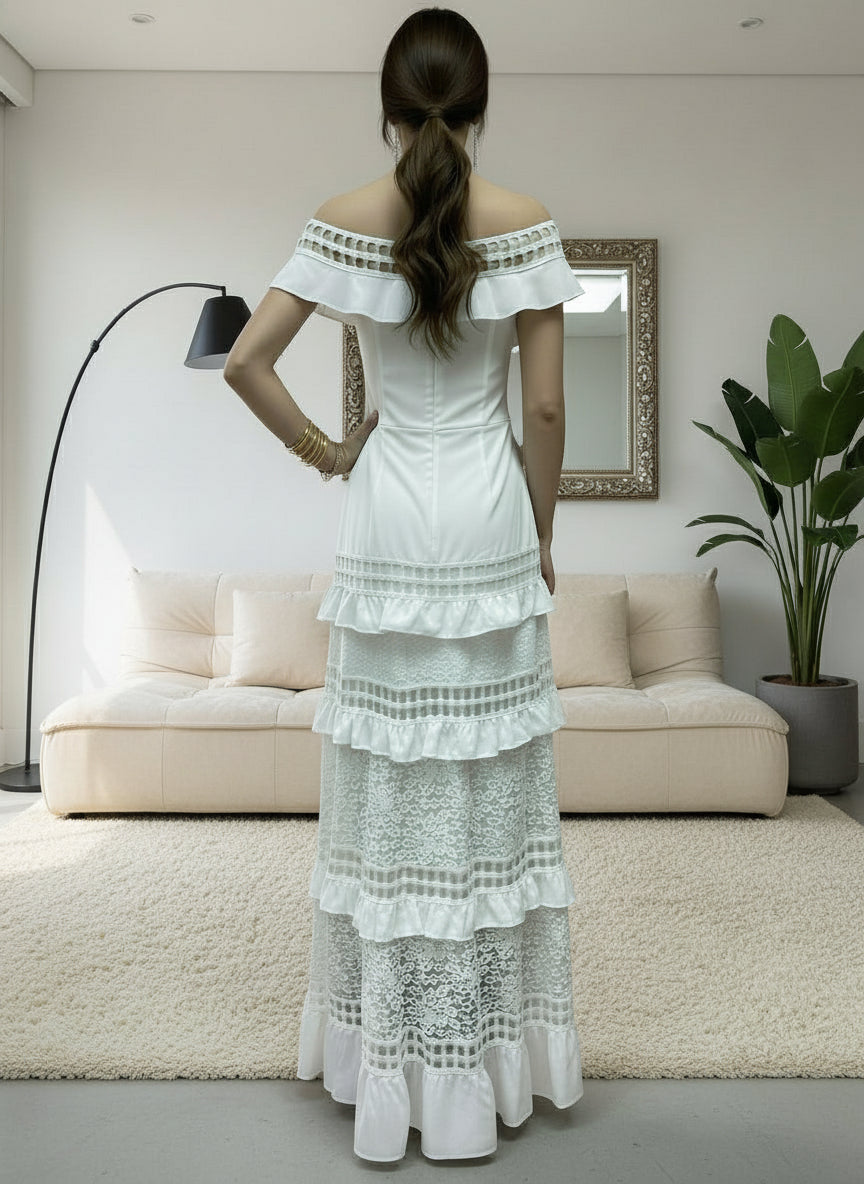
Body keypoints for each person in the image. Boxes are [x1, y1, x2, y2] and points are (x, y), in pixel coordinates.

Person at [224, 6, 585, 1163]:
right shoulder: (525, 225)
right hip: (483, 523)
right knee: (485, 791)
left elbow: (244, 360)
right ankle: (484, 1066)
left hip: (386, 528)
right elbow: (540, 409)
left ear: (389, 107)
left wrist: (332, 452)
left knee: (392, 798)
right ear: (479, 108)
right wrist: (537, 537)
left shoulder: (341, 223)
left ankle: (383, 1060)